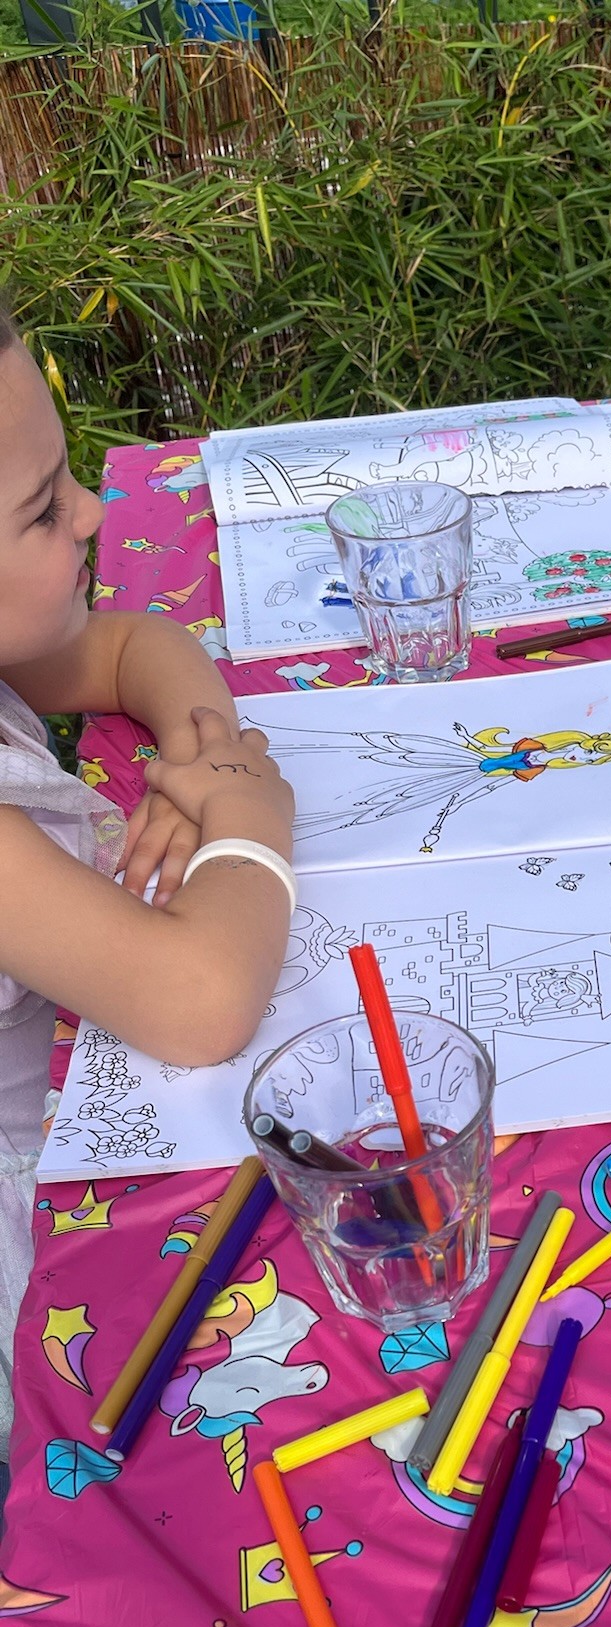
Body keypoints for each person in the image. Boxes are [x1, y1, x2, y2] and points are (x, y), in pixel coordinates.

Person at [0, 318, 295, 1460]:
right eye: (41, 510)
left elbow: (135, 646)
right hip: (37, 1235)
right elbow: (202, 1000)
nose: (91, 513)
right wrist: (249, 818)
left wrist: (197, 754)